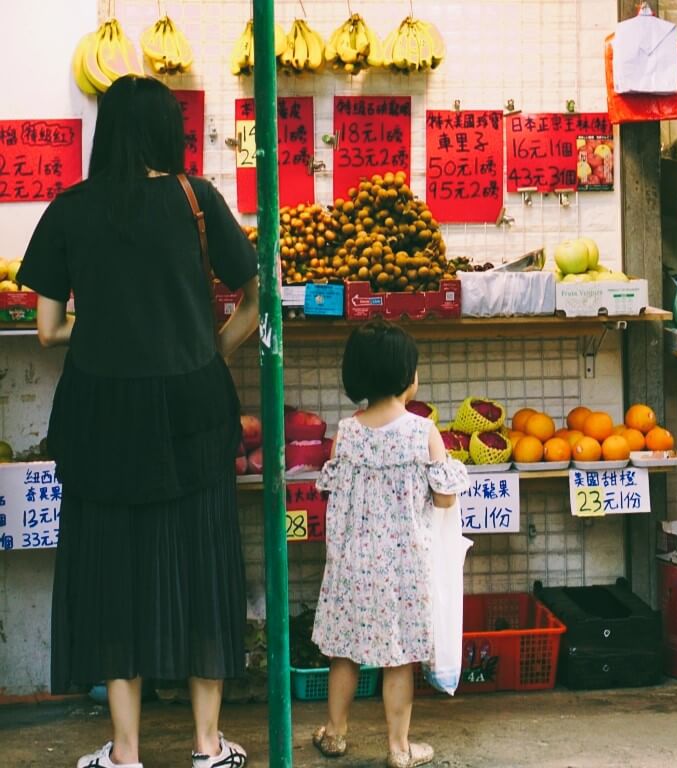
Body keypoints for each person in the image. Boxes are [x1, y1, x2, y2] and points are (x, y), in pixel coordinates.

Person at [19, 75, 259, 768]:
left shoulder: (72, 209)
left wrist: (101, 323)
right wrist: (208, 349)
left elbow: (45, 329)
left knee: (111, 570)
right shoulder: (197, 200)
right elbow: (254, 298)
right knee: (202, 561)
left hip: (102, 412)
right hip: (192, 409)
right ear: (166, 132)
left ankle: (125, 754)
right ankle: (208, 747)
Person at [311, 320, 470, 768]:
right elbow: (443, 496)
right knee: (398, 659)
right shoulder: (423, 432)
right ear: (408, 377)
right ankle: (400, 749)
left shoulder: (348, 432)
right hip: (403, 565)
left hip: (352, 564)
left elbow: (333, 492)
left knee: (344, 651)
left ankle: (336, 734)